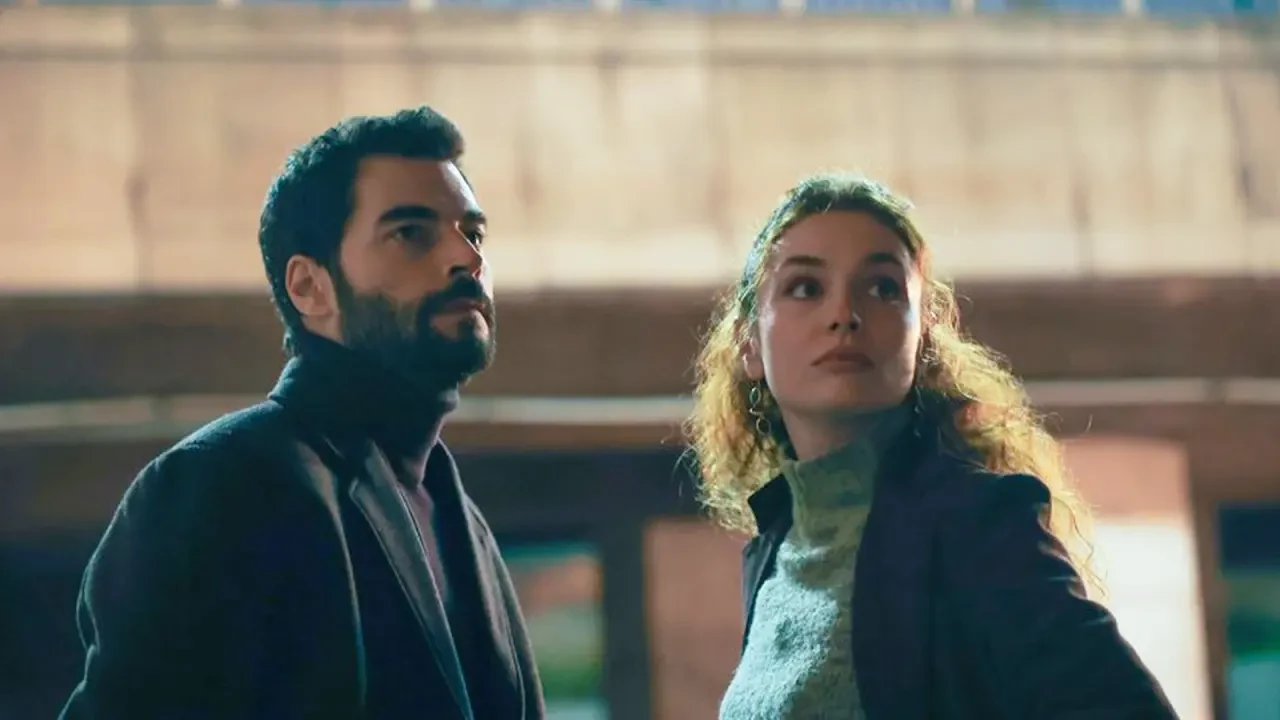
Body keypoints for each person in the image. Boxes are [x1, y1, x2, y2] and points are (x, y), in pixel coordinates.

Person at [61, 107, 545, 720]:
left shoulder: (457, 513)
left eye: (473, 234)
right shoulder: (221, 484)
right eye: (411, 233)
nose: (465, 258)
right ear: (309, 287)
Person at [687, 173, 1178, 719]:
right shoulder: (775, 551)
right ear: (750, 345)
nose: (844, 314)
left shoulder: (976, 522)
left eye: (883, 288)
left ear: (921, 335)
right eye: (805, 288)